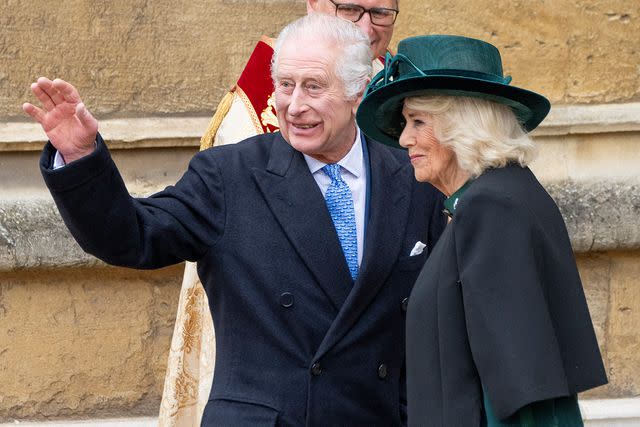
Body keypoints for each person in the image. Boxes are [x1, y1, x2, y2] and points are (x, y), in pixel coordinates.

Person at [24, 14, 445, 426]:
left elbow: (442, 323)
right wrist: (81, 159)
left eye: (314, 87)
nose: (294, 106)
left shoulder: (413, 177)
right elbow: (132, 235)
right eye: (285, 85)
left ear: (359, 91)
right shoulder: (229, 176)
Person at [163, 1, 400, 423]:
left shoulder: (406, 98)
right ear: (315, 5)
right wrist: (81, 162)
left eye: (380, 13)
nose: (366, 27)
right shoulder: (252, 114)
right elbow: (143, 231)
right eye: (351, 9)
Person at [356, 35, 608, 426]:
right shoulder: (494, 197)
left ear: (465, 125)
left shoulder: (491, 208)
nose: (404, 139)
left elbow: (519, 389)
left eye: (417, 122)